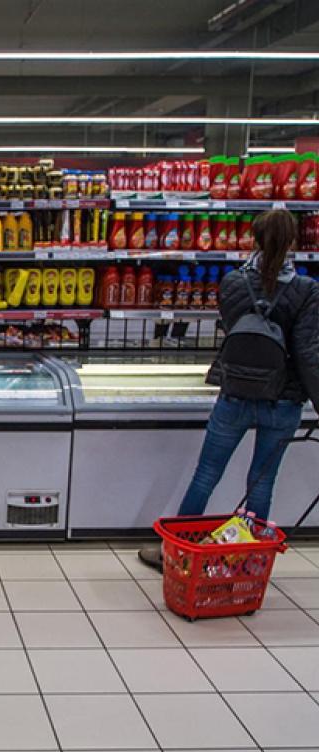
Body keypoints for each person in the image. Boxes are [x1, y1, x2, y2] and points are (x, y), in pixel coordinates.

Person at [140, 209, 319, 570]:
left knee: (206, 475)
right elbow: (308, 352)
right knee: (261, 483)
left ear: (253, 239)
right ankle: (246, 561)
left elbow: (231, 326)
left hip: (235, 392)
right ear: (292, 244)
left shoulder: (233, 282)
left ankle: (176, 553)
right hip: (282, 399)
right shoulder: (306, 290)